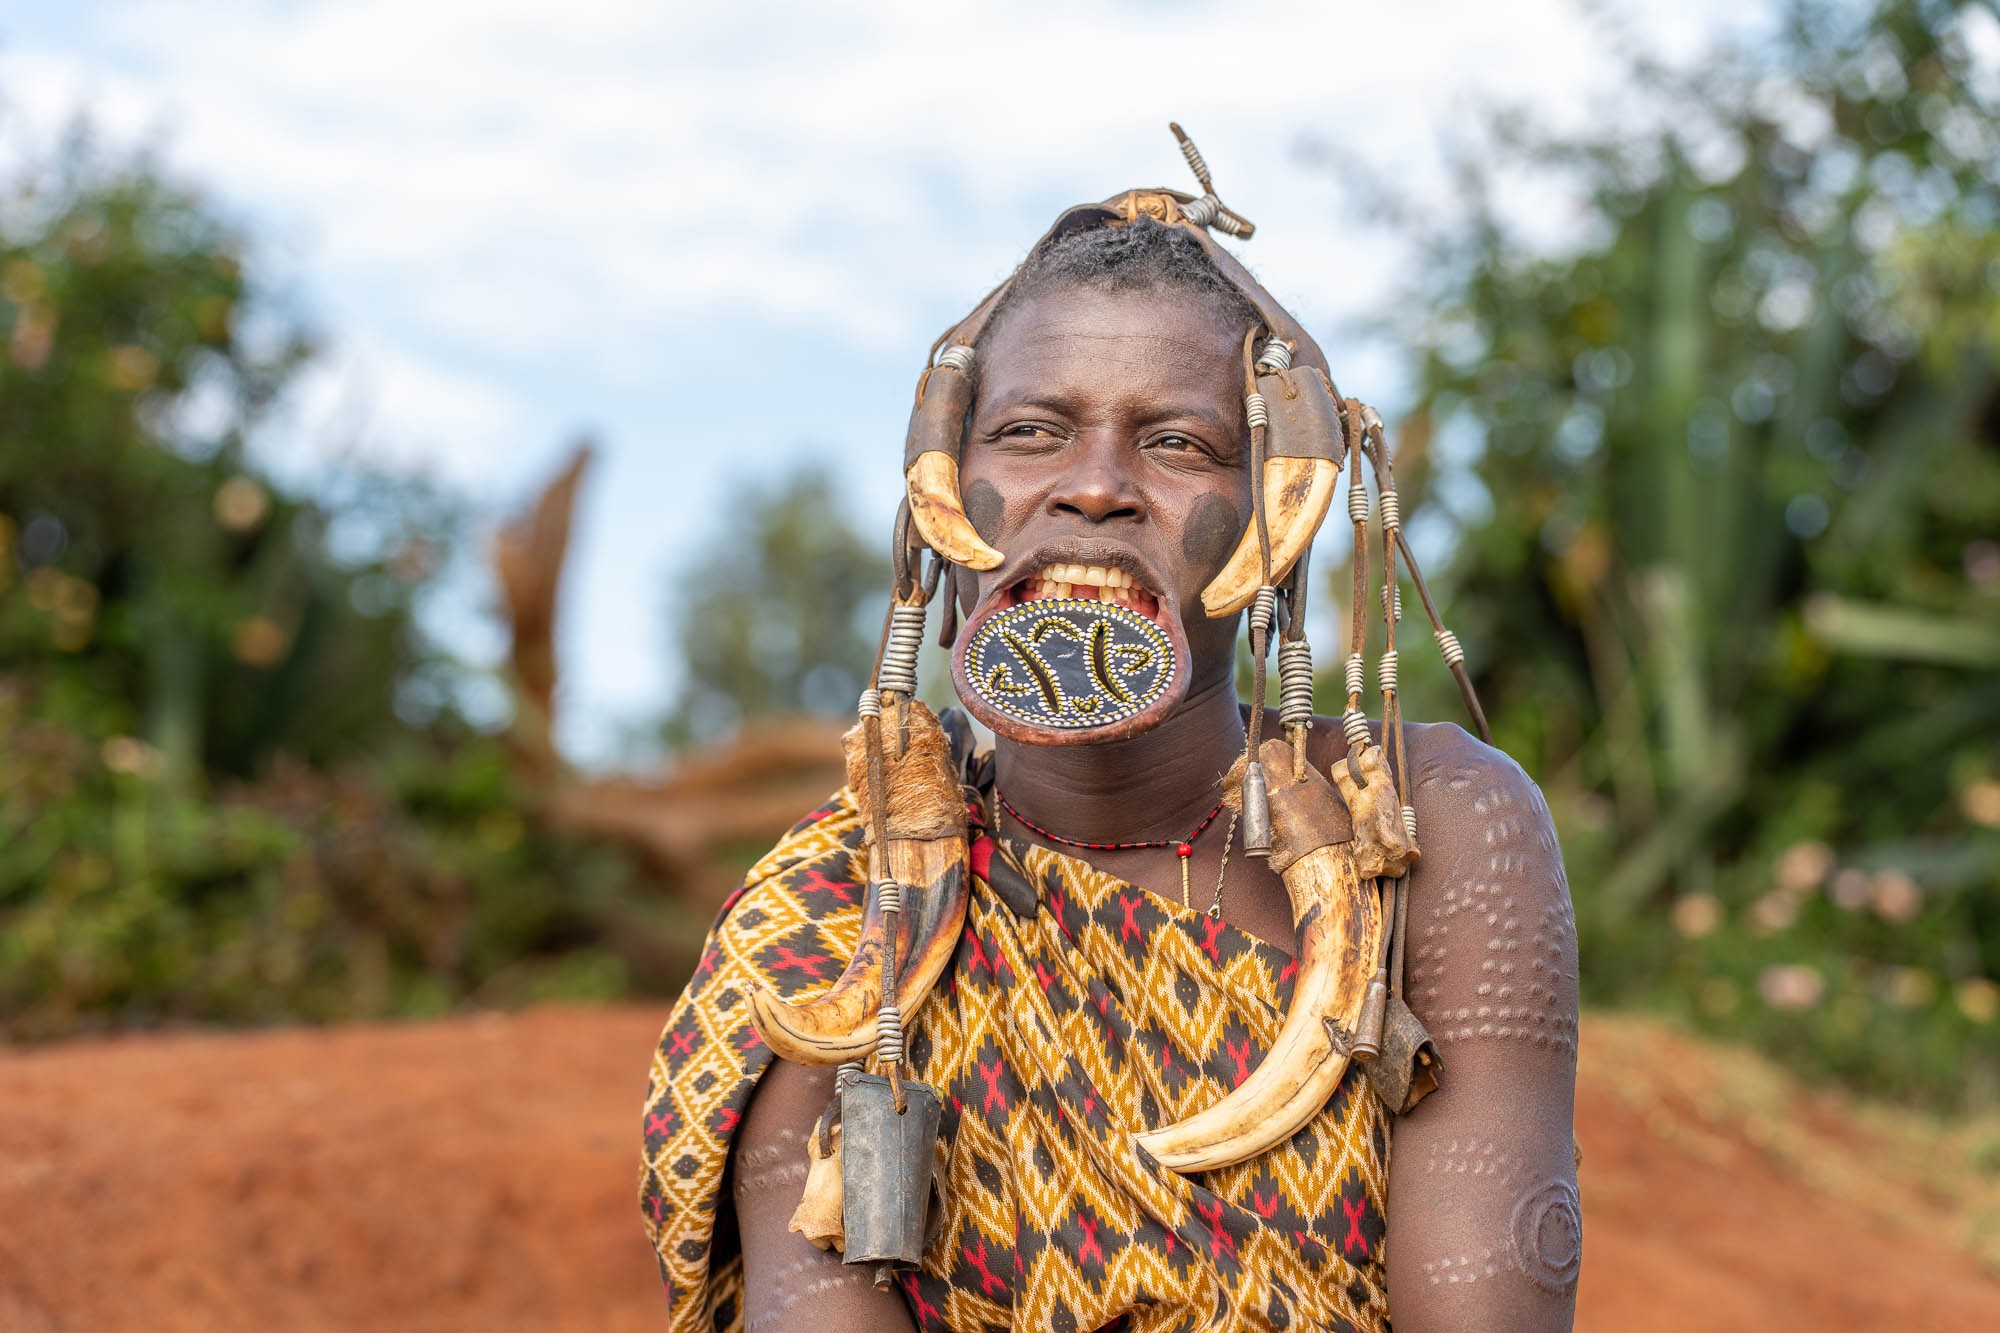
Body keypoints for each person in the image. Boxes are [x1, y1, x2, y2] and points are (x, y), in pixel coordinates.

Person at [640, 142, 1580, 1332]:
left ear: (1271, 518)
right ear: (945, 492)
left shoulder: (1422, 823)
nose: (1093, 487)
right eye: (1031, 432)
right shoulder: (835, 919)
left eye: (1177, 443)